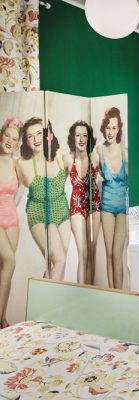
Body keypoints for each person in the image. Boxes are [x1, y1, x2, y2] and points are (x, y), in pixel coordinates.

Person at [17, 118, 70, 280]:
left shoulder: (61, 155)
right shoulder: (22, 164)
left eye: (39, 133)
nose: (36, 139)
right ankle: (45, 296)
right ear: (26, 141)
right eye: (30, 136)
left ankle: (48, 294)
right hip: (39, 213)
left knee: (59, 263)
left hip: (61, 209)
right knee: (59, 259)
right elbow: (12, 191)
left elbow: (71, 174)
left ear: (49, 135)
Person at [93, 107, 128, 289]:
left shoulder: (125, 152)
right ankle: (112, 293)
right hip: (106, 206)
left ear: (119, 129)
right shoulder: (99, 150)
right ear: (103, 128)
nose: (110, 132)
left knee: (117, 254)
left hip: (122, 208)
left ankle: (119, 294)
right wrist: (95, 176)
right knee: (108, 255)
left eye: (114, 128)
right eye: (108, 127)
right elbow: (91, 174)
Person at [63, 121, 101, 284]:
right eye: (77, 135)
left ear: (89, 138)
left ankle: (91, 291)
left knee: (92, 253)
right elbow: (57, 183)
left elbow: (108, 176)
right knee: (83, 254)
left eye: (84, 135)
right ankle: (81, 291)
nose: (81, 139)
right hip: (77, 206)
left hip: (94, 204)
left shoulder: (95, 157)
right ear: (73, 137)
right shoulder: (67, 159)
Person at [0, 117, 22, 328]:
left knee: (6, 270)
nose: (9, 141)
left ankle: (3, 318)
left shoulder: (17, 165)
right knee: (10, 262)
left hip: (12, 220)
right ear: (1, 136)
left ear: (17, 144)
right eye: (7, 135)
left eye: (14, 139)